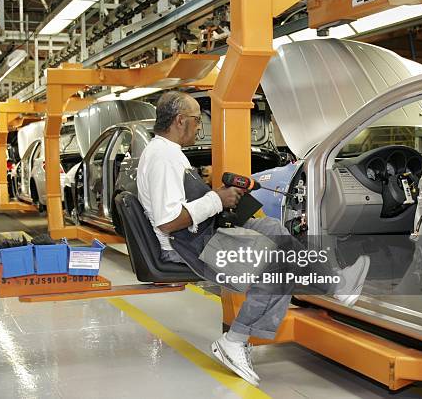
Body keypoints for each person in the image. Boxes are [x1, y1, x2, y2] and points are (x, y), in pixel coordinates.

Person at [136, 91, 370, 386]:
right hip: (196, 246)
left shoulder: (169, 152)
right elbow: (168, 221)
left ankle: (336, 285)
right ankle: (234, 340)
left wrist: (222, 199)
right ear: (180, 120)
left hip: (205, 231)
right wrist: (217, 200)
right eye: (197, 121)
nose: (199, 127)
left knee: (274, 229)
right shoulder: (162, 157)